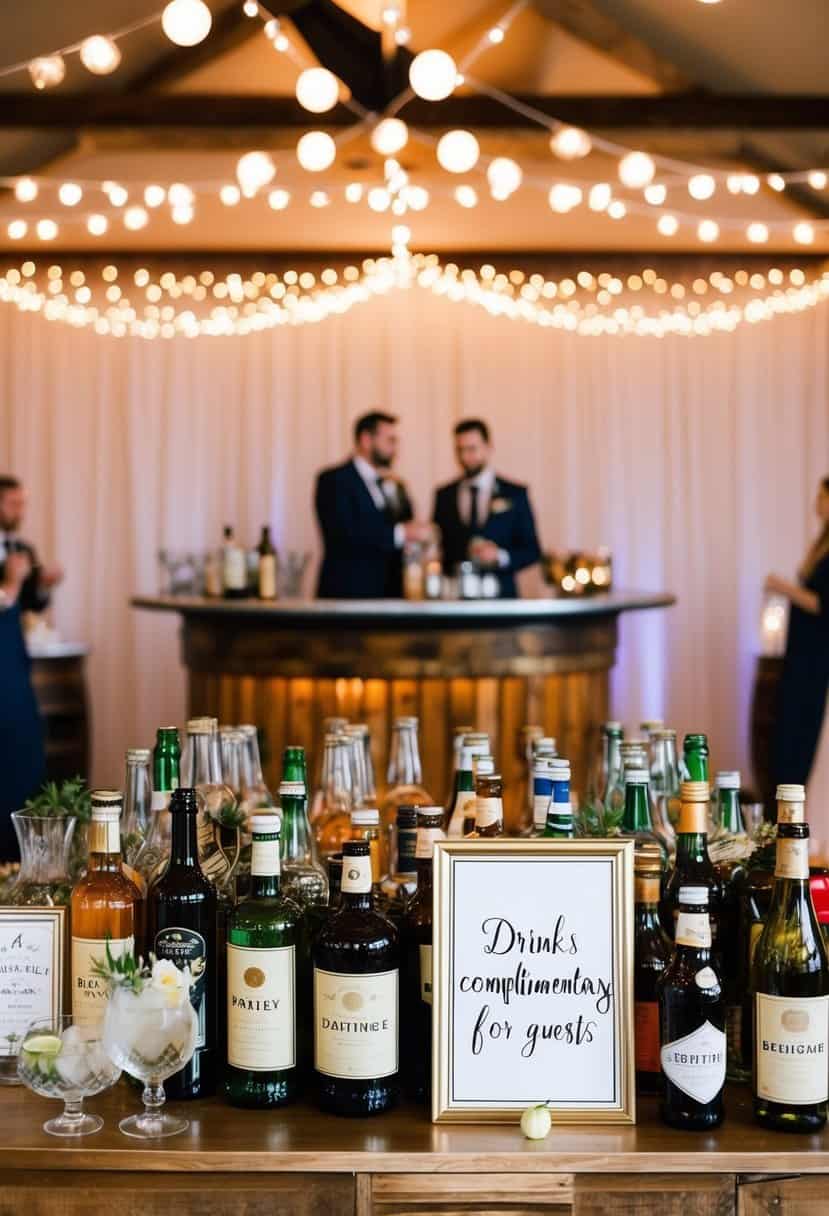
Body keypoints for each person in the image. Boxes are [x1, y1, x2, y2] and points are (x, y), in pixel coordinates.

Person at [0, 476, 63, 861]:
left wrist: (43, 585)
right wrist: (11, 581)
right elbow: (8, 593)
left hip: (14, 663)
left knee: (25, 753)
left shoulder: (21, 548)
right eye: (12, 504)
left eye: (23, 504)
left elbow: (32, 603)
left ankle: (18, 853)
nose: (19, 511)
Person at [315, 411, 430, 598]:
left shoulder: (396, 485)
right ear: (366, 440)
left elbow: (405, 531)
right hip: (348, 596)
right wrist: (401, 533)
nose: (395, 448)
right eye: (390, 440)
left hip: (391, 598)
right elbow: (342, 535)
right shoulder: (334, 480)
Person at [432, 419, 541, 599]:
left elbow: (532, 550)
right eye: (460, 450)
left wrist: (500, 556)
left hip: (502, 600)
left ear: (488, 447)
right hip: (457, 600)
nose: (465, 457)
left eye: (472, 449)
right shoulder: (444, 495)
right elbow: (438, 546)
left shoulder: (514, 494)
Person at [767, 474, 829, 788]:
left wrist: (783, 587)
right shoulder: (821, 543)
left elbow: (823, 604)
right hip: (801, 653)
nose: (816, 503)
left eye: (821, 497)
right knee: (787, 728)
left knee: (800, 731)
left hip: (815, 657)